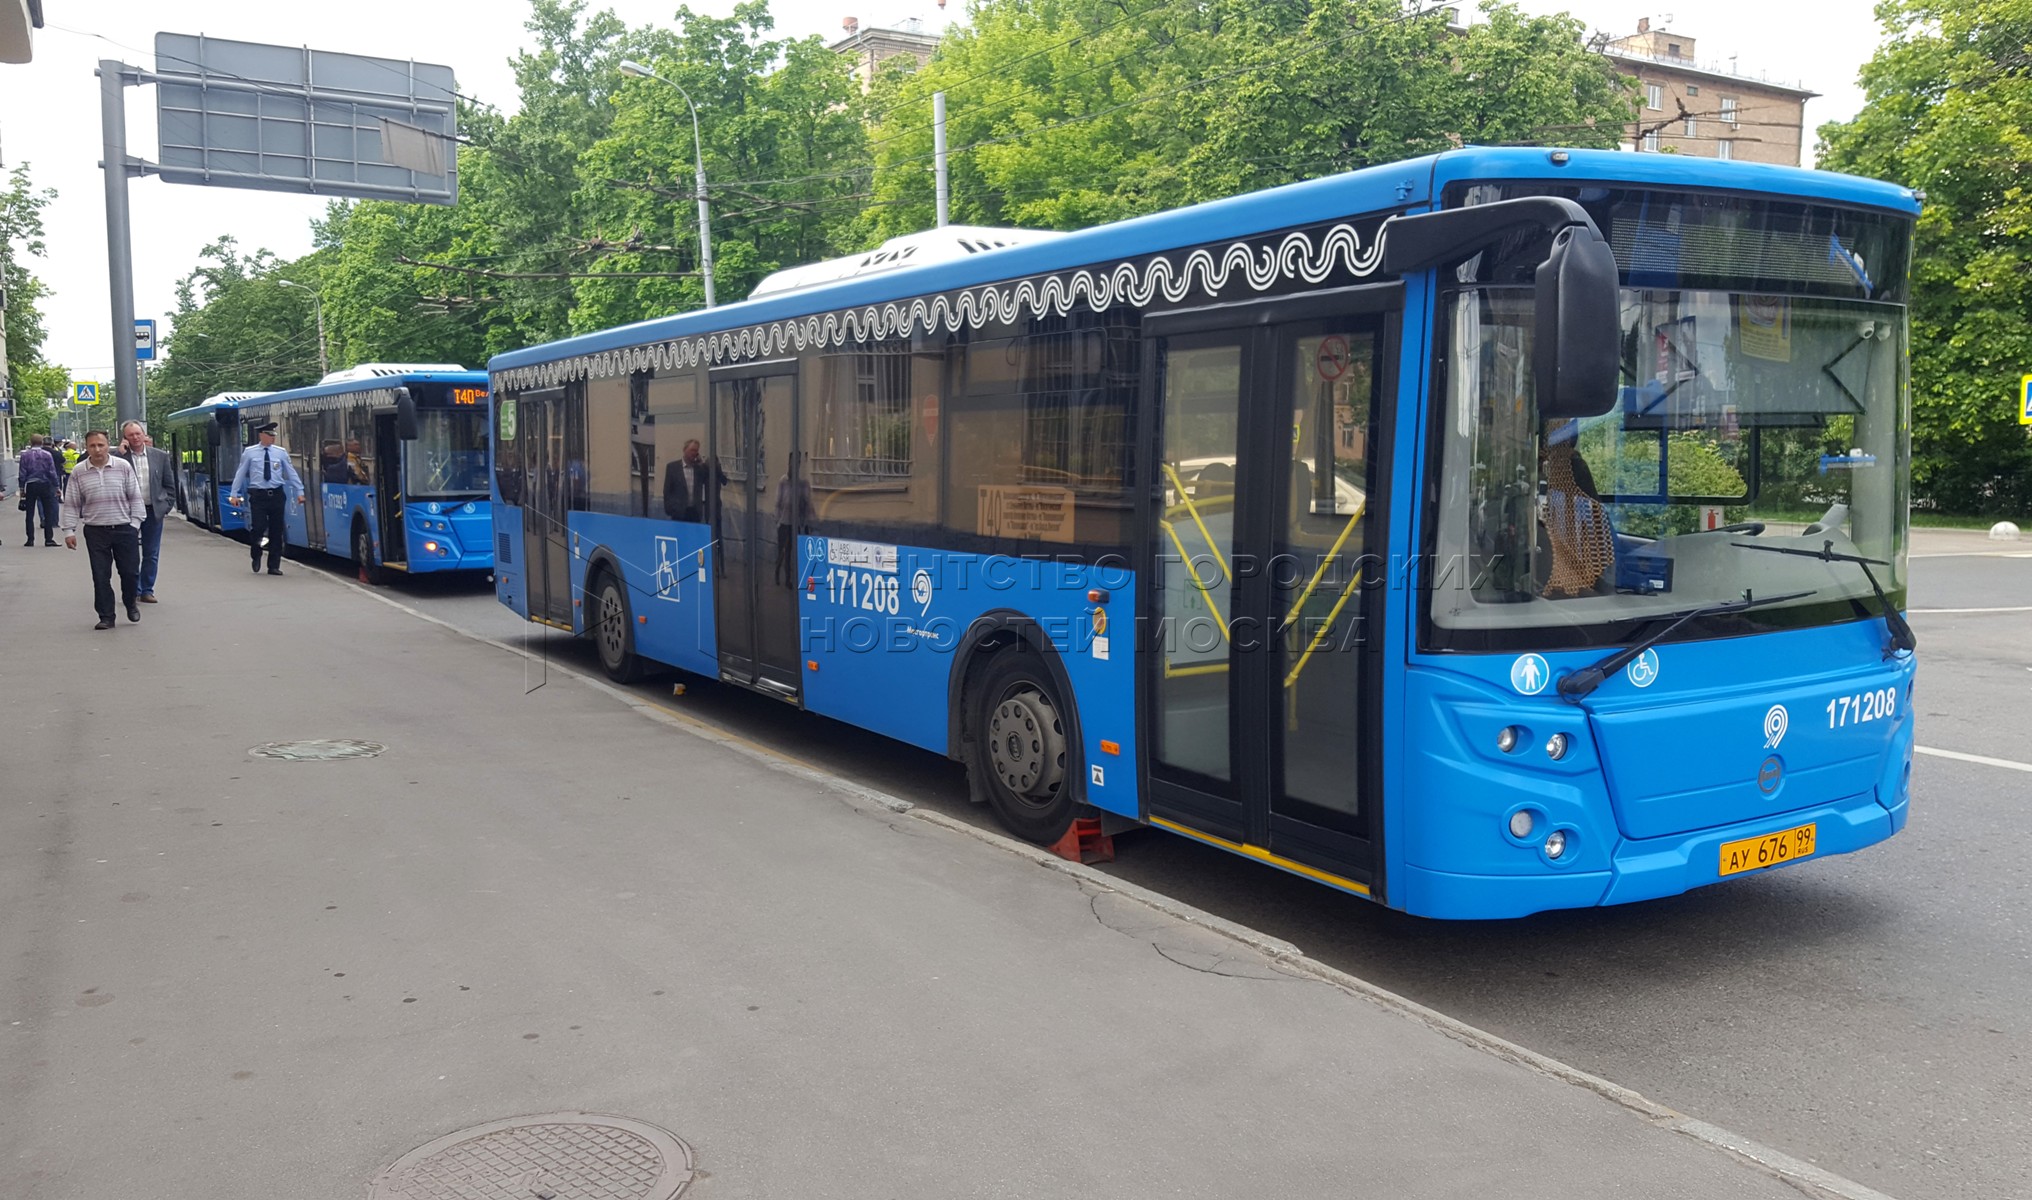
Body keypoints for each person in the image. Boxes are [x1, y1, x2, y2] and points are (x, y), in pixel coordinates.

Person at [59, 430, 146, 630]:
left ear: (108, 446)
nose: (97, 449)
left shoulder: (123, 466)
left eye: (101, 445)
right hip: (96, 530)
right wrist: (69, 531)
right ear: (86, 447)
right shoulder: (79, 471)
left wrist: (134, 525)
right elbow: (72, 503)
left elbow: (135, 497)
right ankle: (106, 616)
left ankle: (130, 601)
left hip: (125, 528)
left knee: (130, 572)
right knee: (100, 574)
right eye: (92, 446)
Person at [113, 420, 181, 604]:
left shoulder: (159, 456)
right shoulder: (118, 457)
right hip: (127, 512)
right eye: (130, 435)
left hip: (153, 511)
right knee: (130, 553)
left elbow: (169, 484)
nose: (135, 438)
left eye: (138, 434)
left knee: (151, 552)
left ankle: (147, 590)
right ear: (124, 438)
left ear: (143, 434)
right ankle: (133, 589)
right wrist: (118, 452)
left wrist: (166, 506)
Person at [228, 422, 306, 575]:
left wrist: (300, 491)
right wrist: (234, 494)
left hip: (276, 494)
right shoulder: (250, 452)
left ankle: (273, 565)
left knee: (276, 531)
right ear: (261, 435)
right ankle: (256, 554)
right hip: (258, 496)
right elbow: (240, 473)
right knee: (258, 527)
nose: (273, 438)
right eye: (270, 435)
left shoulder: (280, 453)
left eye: (274, 435)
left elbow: (291, 473)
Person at [18, 434, 63, 547]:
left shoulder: (25, 455)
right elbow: (52, 472)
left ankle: (30, 539)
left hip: (31, 485)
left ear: (31, 442)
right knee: (48, 512)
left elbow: (22, 472)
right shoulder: (47, 454)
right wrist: (57, 486)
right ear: (42, 442)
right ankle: (48, 539)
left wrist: (22, 488)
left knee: (30, 513)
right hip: (45, 484)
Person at [662, 439, 715, 522]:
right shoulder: (672, 467)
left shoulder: (699, 469)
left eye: (696, 451)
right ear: (684, 450)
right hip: (678, 513)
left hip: (695, 513)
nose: (694, 453)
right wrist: (670, 509)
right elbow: (667, 491)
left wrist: (702, 463)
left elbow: (710, 479)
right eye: (692, 450)